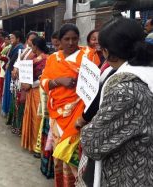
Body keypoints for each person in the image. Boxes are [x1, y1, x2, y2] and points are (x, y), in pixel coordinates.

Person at [81, 18, 153, 187]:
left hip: (128, 174)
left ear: (106, 51)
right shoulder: (146, 72)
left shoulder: (125, 90)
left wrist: (85, 128)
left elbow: (93, 142)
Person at [40, 24, 99, 187]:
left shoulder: (89, 55)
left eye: (74, 38)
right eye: (67, 39)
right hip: (58, 115)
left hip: (79, 114)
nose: (71, 42)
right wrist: (59, 81)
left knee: (75, 158)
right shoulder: (53, 59)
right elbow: (44, 81)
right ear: (59, 41)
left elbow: (96, 82)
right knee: (60, 155)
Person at [21, 36, 48, 153]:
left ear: (36, 46)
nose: (31, 48)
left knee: (37, 119)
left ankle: (38, 148)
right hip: (32, 91)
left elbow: (44, 78)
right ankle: (32, 144)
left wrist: (30, 85)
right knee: (31, 117)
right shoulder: (35, 59)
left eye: (32, 46)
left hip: (40, 92)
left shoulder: (46, 59)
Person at [7, 32, 38, 135]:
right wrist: (15, 70)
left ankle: (21, 128)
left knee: (23, 104)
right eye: (30, 40)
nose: (32, 42)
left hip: (27, 83)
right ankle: (16, 125)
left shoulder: (36, 53)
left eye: (34, 40)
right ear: (27, 40)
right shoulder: (25, 50)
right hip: (19, 81)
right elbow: (18, 62)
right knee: (17, 104)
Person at [1, 31, 24, 117]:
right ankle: (6, 110)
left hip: (13, 72)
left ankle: (9, 112)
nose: (11, 40)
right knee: (7, 90)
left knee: (10, 92)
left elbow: (14, 61)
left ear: (18, 39)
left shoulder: (20, 47)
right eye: (10, 38)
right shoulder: (13, 46)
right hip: (9, 70)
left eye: (13, 38)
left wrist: (9, 66)